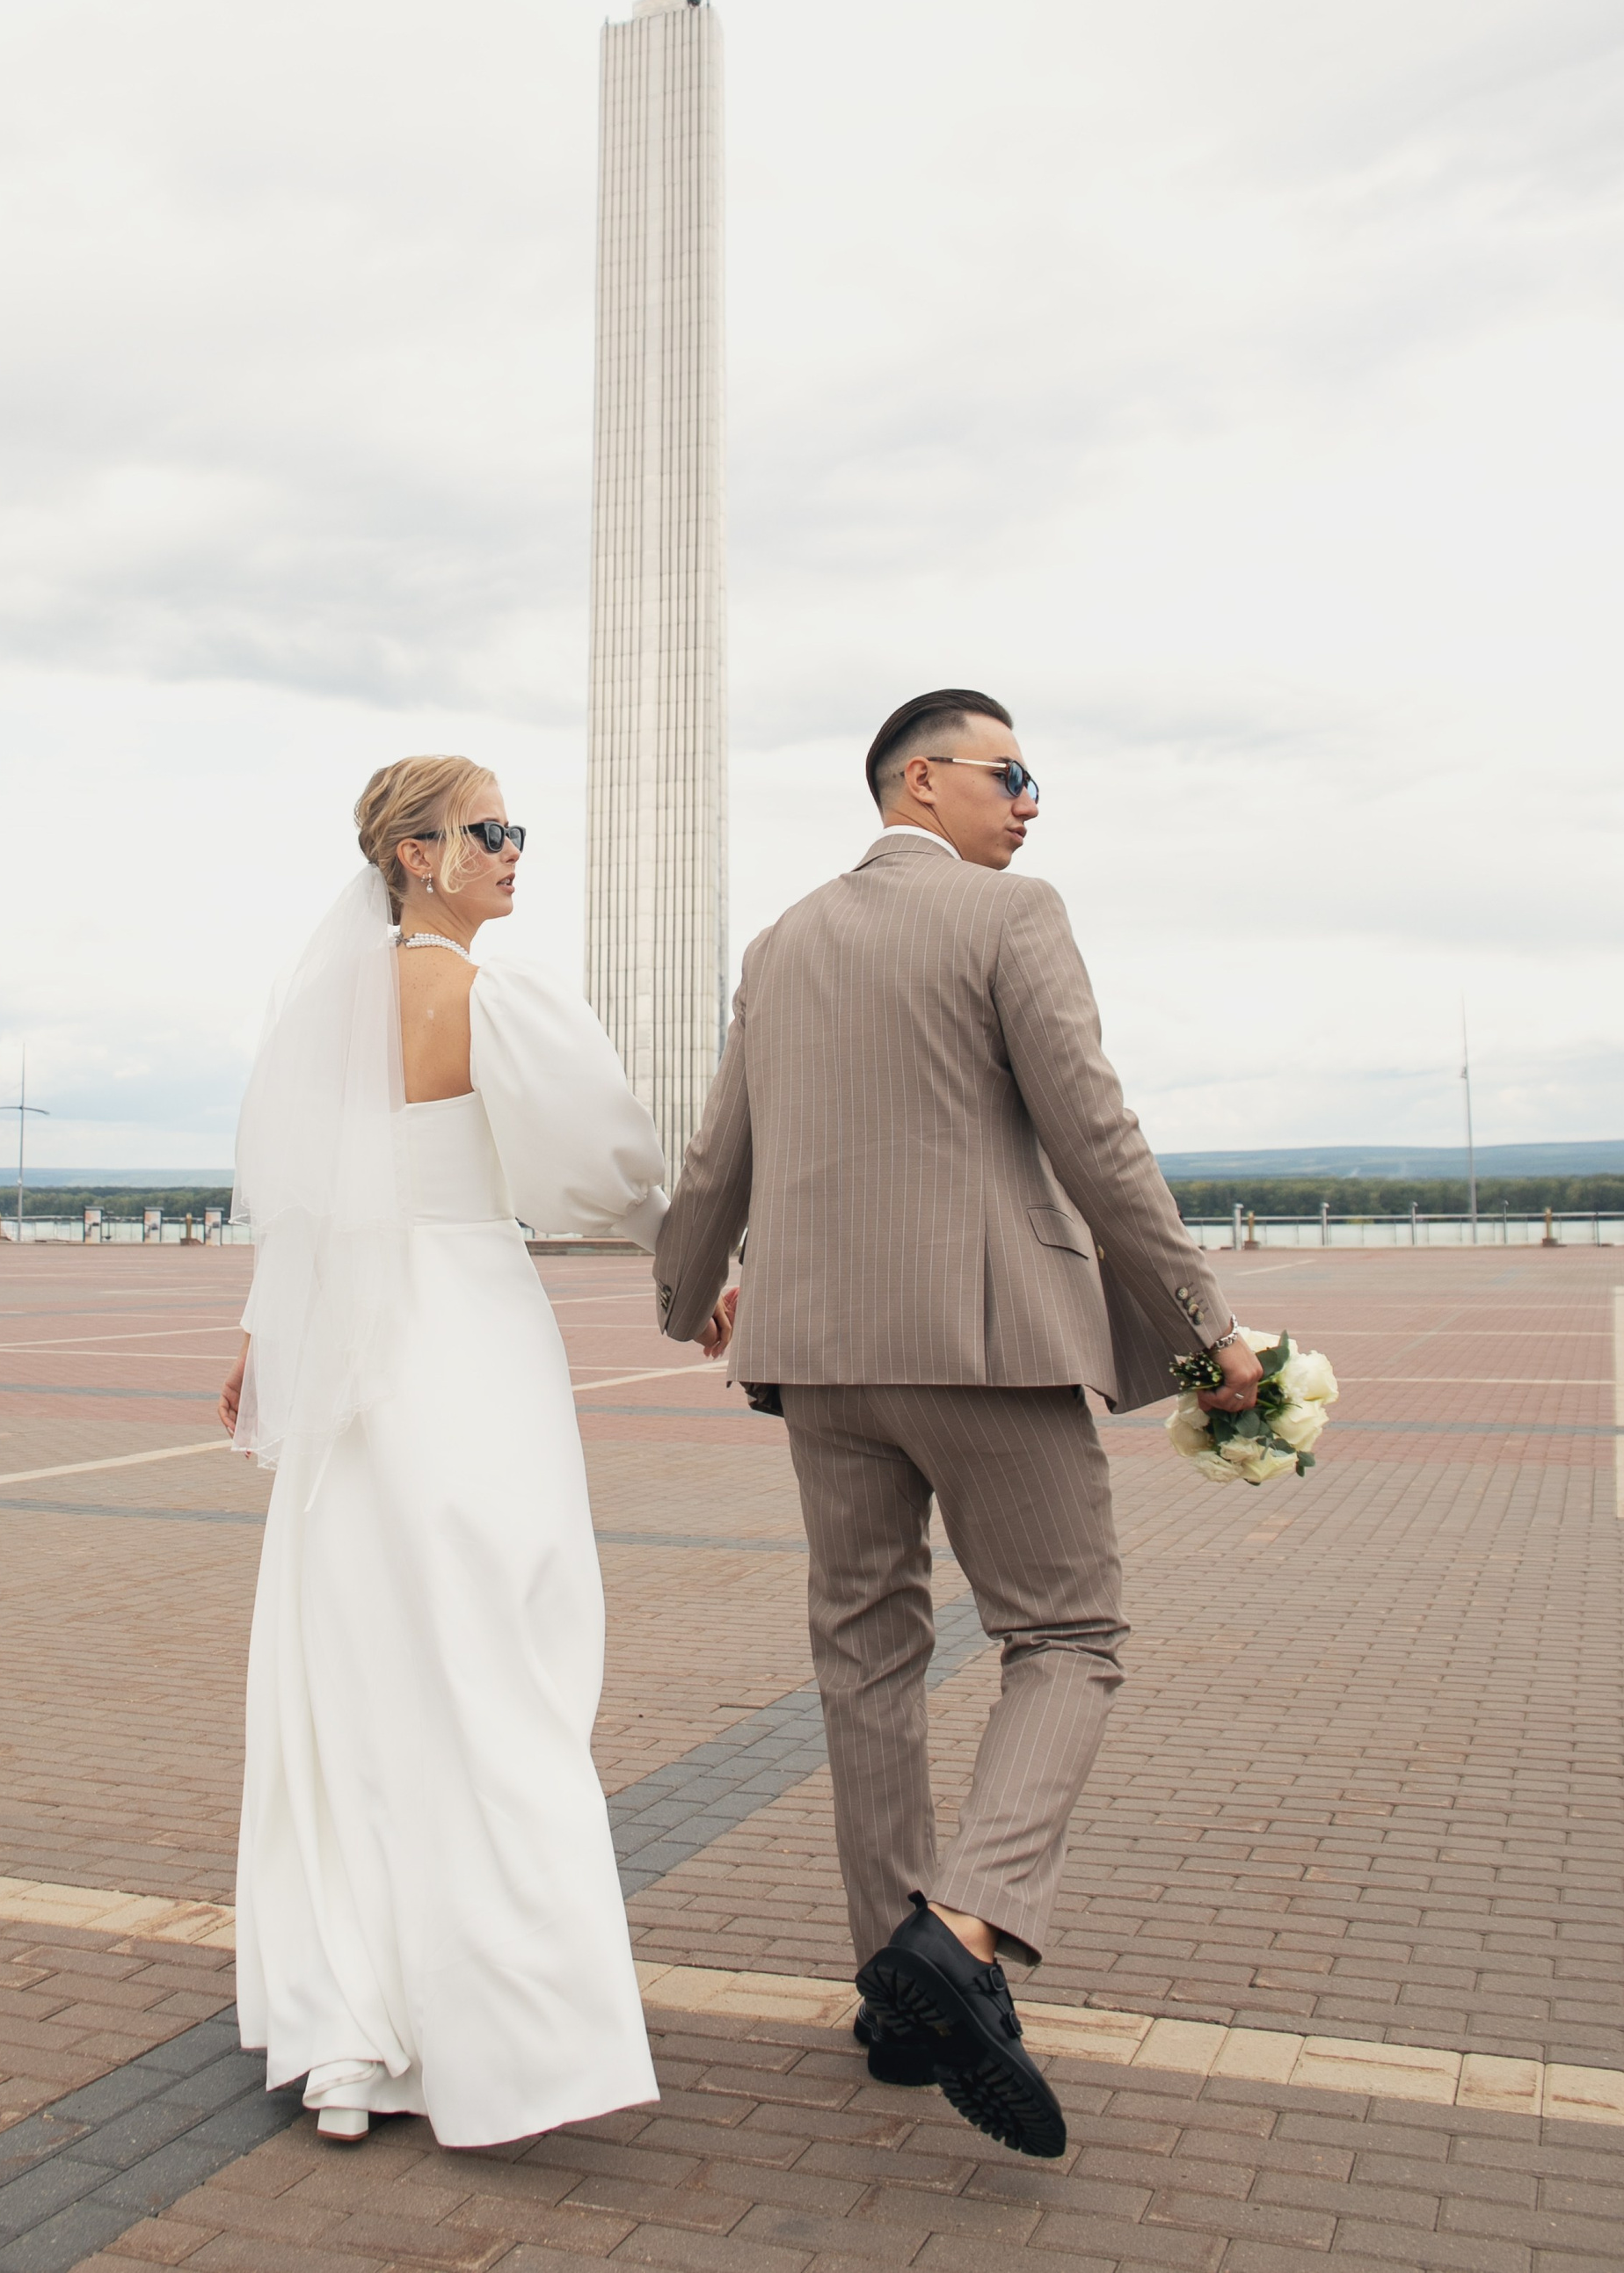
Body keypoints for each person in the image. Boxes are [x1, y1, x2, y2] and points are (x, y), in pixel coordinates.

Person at [654, 689, 1267, 2162]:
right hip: (990, 1348)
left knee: (866, 1651)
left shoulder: (782, 939)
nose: (1033, 803)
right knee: (1067, 1636)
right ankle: (960, 1931)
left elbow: (717, 1148)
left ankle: (895, 1998)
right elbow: (1095, 1137)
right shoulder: (1015, 919)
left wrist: (691, 1295)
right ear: (921, 782)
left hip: (820, 1359)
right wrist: (1208, 1328)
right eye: (1013, 774)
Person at [219, 754, 666, 2146]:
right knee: (502, 1659)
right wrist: (688, 1248)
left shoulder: (323, 1012)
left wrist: (258, 1341)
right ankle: (509, 2029)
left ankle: (349, 2026)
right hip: (467, 1335)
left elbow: (297, 1203)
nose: (515, 850)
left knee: (357, 1668)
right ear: (416, 856)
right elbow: (605, 1169)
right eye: (493, 830)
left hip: (352, 1358)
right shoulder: (484, 998)